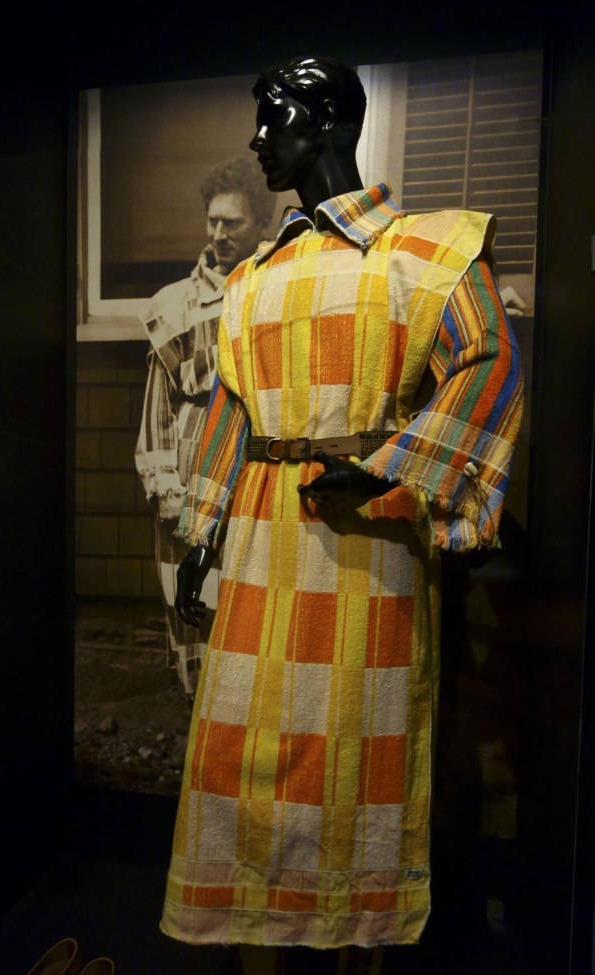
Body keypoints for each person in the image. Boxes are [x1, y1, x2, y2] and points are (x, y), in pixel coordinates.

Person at [162, 56, 524, 969]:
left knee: (358, 750)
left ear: (325, 122)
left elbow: (489, 365)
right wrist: (201, 534)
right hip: (258, 538)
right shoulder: (249, 279)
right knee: (239, 753)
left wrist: (386, 468)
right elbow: (230, 411)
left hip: (369, 550)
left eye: (272, 117)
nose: (255, 140)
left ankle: (358, 944)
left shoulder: (426, 252)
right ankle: (258, 941)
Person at [135, 156, 275, 699]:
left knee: (250, 597)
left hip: (257, 466)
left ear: (261, 222)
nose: (218, 234)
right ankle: (198, 714)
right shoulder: (174, 306)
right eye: (212, 220)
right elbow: (157, 409)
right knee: (193, 597)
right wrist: (167, 489)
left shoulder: (276, 292)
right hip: (191, 474)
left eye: (232, 222)